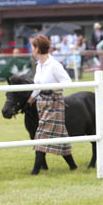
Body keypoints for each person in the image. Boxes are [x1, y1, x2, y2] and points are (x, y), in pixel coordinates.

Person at [26, 35, 78, 175]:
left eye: (32, 48)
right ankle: (73, 166)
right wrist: (29, 101)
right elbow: (38, 87)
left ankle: (35, 171)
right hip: (42, 104)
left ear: (37, 48)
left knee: (41, 135)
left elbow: (67, 82)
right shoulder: (39, 66)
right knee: (60, 137)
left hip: (54, 103)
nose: (31, 50)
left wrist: (53, 89)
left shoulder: (54, 65)